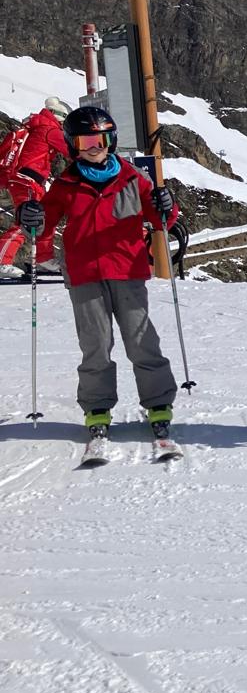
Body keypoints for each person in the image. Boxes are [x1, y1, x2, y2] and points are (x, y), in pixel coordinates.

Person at [19, 106, 180, 448]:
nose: (95, 148)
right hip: (85, 274)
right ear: (72, 145)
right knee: (95, 344)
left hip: (127, 269)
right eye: (86, 141)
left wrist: (166, 204)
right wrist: (30, 216)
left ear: (112, 141)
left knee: (141, 339)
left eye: (101, 140)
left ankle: (158, 403)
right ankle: (97, 408)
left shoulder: (133, 178)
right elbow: (42, 224)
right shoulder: (66, 184)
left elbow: (159, 218)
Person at [0, 96, 70, 279]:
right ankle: (2, 260)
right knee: (27, 221)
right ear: (59, 116)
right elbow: (72, 150)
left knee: (43, 217)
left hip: (24, 180)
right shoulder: (50, 129)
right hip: (28, 180)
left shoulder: (36, 126)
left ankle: (43, 258)